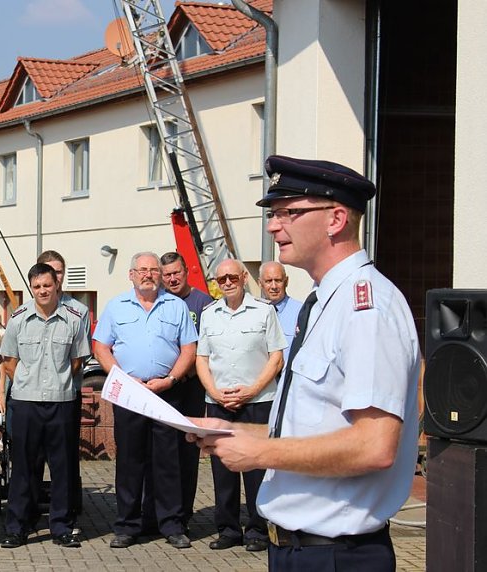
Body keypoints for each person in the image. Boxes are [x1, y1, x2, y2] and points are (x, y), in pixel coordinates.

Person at [193, 155, 420, 571]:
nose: (273, 225)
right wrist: (238, 430)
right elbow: (314, 426)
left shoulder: (365, 308)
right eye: (274, 214)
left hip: (335, 554)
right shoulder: (321, 304)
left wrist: (260, 452)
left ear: (336, 219)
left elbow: (374, 445)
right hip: (298, 550)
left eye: (289, 212)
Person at [92, 252, 197, 550]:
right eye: (142, 270)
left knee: (168, 462)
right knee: (130, 462)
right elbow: (101, 347)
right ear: (132, 275)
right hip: (130, 394)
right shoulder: (116, 306)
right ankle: (126, 525)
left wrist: (172, 379)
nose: (148, 274)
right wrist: (122, 378)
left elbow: (189, 348)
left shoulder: (175, 306)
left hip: (167, 393)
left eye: (153, 270)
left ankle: (171, 524)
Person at [196, 258, 286, 552]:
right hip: (220, 402)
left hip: (257, 402)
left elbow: (276, 357)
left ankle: (258, 530)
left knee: (257, 469)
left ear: (244, 277)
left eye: (232, 278)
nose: (227, 283)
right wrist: (215, 393)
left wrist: (251, 390)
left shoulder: (264, 311)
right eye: (221, 279)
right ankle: (228, 529)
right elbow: (202, 360)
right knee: (223, 470)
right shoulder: (209, 314)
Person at [0, 264, 90, 549]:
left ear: (56, 285)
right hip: (26, 403)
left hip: (61, 402)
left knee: (62, 468)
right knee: (24, 467)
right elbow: (9, 362)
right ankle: (18, 527)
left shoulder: (73, 318)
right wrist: (31, 383)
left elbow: (77, 361)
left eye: (47, 285)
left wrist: (54, 382)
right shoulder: (18, 319)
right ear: (32, 288)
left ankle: (61, 527)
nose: (42, 291)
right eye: (37, 287)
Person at [158, 252, 213, 528]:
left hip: (190, 386)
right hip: (162, 387)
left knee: (187, 451)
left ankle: (184, 513)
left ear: (186, 271)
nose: (172, 279)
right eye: (166, 275)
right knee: (161, 452)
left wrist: (183, 372)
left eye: (176, 273)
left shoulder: (203, 303)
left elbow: (208, 346)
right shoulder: (157, 300)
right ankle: (160, 511)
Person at [259, 261, 303, 364]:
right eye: (268, 281)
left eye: (278, 280)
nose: (274, 286)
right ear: (260, 283)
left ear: (286, 281)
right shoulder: (254, 313)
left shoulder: (301, 311)